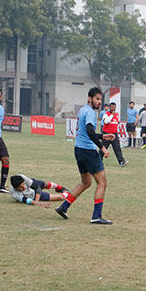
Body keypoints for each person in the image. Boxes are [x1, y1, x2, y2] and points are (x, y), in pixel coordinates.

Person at [55, 87, 113, 224]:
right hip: (88, 151)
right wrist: (102, 147)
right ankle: (96, 216)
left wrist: (102, 135)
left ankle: (63, 207)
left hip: (79, 150)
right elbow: (89, 131)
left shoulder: (82, 110)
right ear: (90, 98)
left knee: (86, 182)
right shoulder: (91, 113)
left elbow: (87, 131)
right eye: (97, 99)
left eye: (100, 99)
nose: (99, 102)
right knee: (102, 183)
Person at [101, 101, 128, 167]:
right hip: (107, 134)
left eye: (114, 107)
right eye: (112, 107)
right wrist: (112, 115)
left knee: (117, 148)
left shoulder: (116, 114)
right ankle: (98, 161)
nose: (113, 109)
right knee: (103, 148)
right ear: (109, 107)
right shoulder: (106, 114)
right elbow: (106, 121)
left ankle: (121, 161)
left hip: (114, 134)